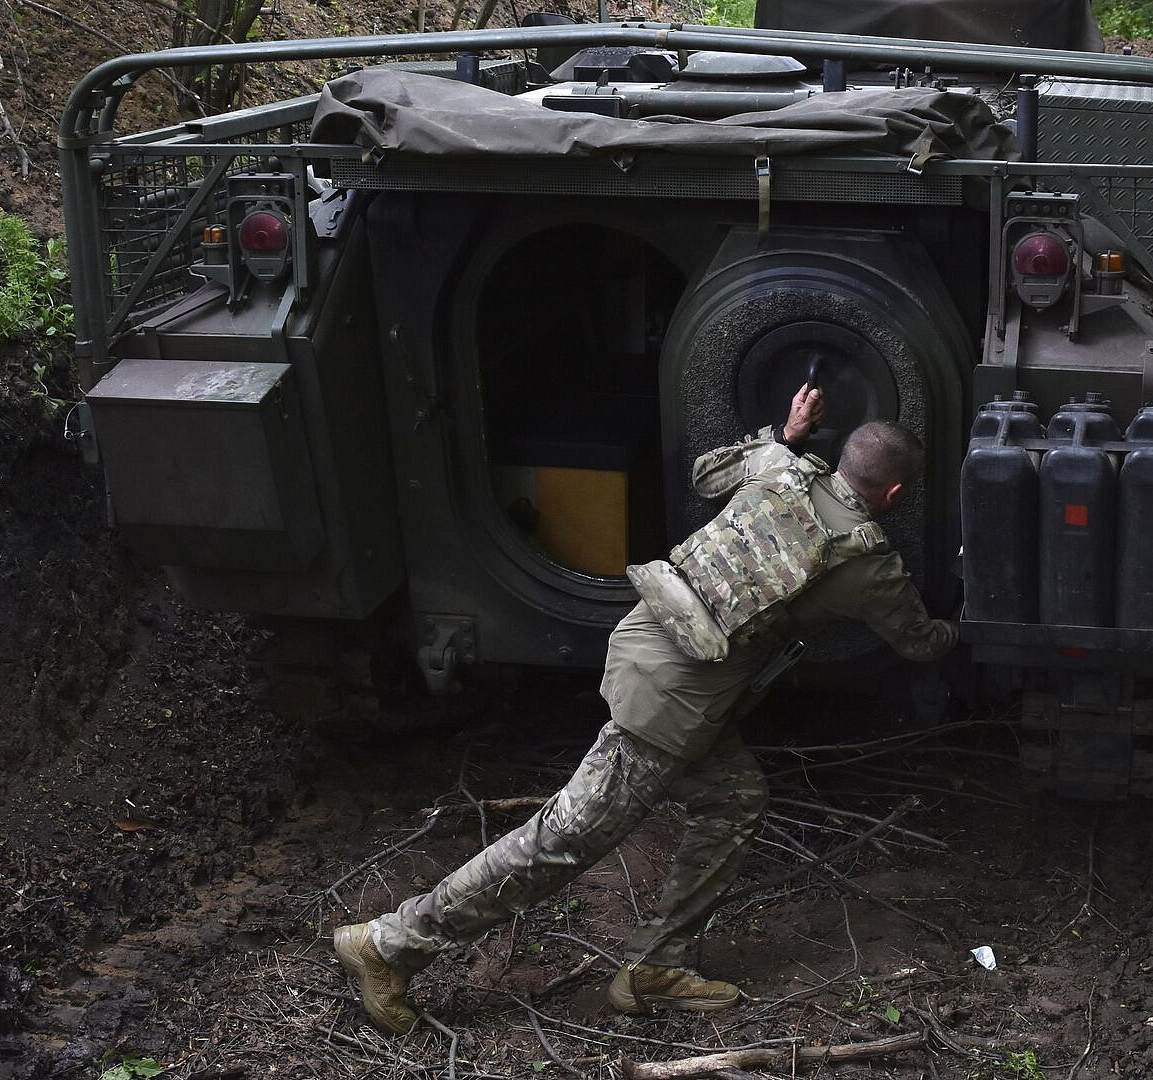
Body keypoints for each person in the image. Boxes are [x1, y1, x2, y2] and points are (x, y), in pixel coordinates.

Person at [333, 385, 957, 1034]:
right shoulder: (868, 561)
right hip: (672, 705)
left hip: (649, 644)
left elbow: (706, 472)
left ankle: (657, 966)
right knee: (562, 841)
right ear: (892, 495)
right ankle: (389, 946)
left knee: (735, 799)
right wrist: (964, 621)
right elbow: (920, 641)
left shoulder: (784, 466)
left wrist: (787, 435)